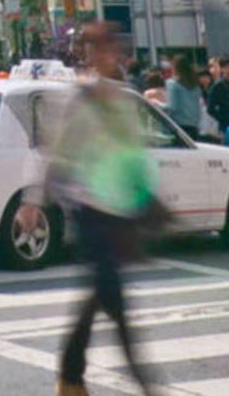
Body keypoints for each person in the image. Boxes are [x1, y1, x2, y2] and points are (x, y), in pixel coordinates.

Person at [21, 23, 158, 396]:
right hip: (88, 210)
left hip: (118, 210)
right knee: (113, 297)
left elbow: (134, 156)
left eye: (110, 49)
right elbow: (57, 151)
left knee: (100, 294)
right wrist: (33, 200)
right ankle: (145, 383)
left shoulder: (125, 99)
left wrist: (145, 199)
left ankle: (70, 376)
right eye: (96, 50)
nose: (105, 56)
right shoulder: (79, 98)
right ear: (89, 55)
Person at [164, 55, 202, 139]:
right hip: (194, 125)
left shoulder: (172, 83)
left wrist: (156, 103)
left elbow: (172, 107)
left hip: (178, 126)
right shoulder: (195, 85)